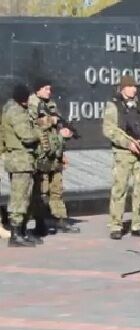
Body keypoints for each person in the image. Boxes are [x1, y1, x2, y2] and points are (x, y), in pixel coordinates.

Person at [102, 75, 140, 240]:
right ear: (122, 88)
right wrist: (127, 143)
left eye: (135, 86)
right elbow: (109, 129)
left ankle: (138, 225)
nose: (134, 89)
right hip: (124, 153)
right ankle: (116, 225)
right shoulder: (113, 106)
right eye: (130, 86)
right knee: (120, 189)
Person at [27, 78, 80, 235]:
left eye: (50, 89)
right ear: (38, 89)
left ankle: (61, 219)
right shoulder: (32, 104)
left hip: (54, 152)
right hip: (40, 153)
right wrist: (51, 120)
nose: (49, 92)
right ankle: (40, 222)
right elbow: (33, 125)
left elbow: (56, 128)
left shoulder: (51, 104)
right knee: (40, 191)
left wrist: (64, 134)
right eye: (46, 88)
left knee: (57, 189)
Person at [1, 84, 39, 247]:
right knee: (19, 197)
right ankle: (15, 234)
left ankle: (22, 231)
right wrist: (40, 130)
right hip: (19, 159)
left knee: (26, 196)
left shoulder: (16, 109)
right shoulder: (16, 112)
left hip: (22, 159)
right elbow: (27, 136)